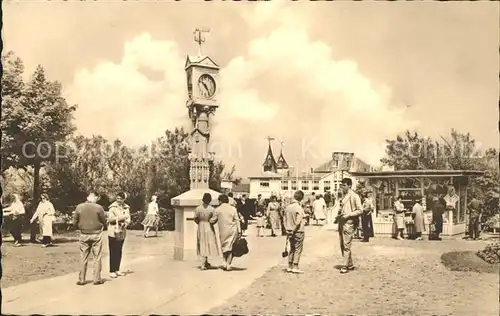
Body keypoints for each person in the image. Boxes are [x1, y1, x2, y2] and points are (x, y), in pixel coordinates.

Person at [73, 192, 107, 285]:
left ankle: (82, 279)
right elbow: (104, 220)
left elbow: (74, 221)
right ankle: (96, 279)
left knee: (83, 257)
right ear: (95, 198)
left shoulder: (79, 207)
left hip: (84, 234)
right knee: (97, 257)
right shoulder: (99, 207)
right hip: (96, 234)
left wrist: (79, 226)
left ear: (88, 197)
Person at [337, 178, 363, 274]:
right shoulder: (344, 196)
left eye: (344, 185)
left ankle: (345, 266)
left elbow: (360, 210)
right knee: (342, 244)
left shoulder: (354, 196)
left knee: (346, 245)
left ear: (349, 186)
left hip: (349, 222)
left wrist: (349, 215)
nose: (342, 187)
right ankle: (350, 264)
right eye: (342, 185)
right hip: (342, 222)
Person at [211, 194, 241, 271]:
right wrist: (239, 230)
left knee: (224, 247)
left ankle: (225, 262)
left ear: (220, 201)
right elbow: (237, 220)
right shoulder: (233, 209)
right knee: (230, 246)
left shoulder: (217, 209)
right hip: (233, 229)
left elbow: (213, 220)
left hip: (223, 231)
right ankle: (228, 264)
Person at [107, 192, 131, 278]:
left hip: (121, 232)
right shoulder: (112, 207)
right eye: (117, 198)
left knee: (119, 251)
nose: (119, 200)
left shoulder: (126, 207)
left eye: (121, 198)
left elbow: (128, 218)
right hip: (113, 232)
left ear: (124, 199)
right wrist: (122, 218)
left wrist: (126, 223)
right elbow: (110, 219)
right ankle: (112, 270)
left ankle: (117, 269)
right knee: (113, 251)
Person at [194, 193, 220, 270]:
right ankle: (203, 263)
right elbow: (214, 219)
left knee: (202, 242)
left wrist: (199, 222)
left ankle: (205, 262)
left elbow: (195, 218)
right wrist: (211, 221)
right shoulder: (212, 209)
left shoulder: (198, 208)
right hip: (208, 226)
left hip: (201, 225)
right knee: (208, 243)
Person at [284, 190, 306, 274]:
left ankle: (289, 266)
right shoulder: (298, 207)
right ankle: (295, 266)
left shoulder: (288, 207)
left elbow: (284, 219)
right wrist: (294, 229)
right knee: (298, 249)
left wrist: (287, 229)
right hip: (298, 230)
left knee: (292, 248)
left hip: (289, 230)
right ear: (301, 198)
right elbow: (298, 220)